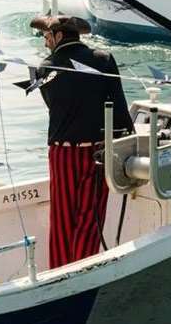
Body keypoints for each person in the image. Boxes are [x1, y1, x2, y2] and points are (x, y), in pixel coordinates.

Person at [30, 14, 134, 270]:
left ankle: (60, 272)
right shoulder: (104, 59)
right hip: (97, 151)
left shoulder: (44, 67)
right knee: (90, 217)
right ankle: (82, 272)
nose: (45, 43)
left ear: (59, 36)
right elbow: (118, 107)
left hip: (61, 153)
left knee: (62, 219)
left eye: (46, 37)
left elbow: (52, 107)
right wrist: (129, 142)